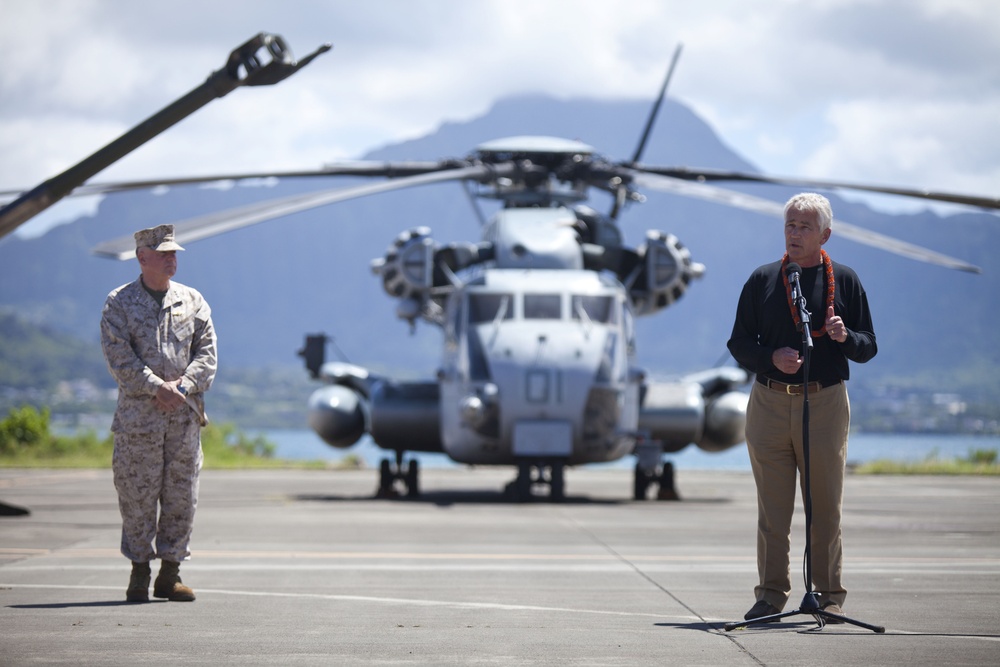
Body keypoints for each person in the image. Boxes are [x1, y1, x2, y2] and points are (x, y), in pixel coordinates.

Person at [727, 192, 876, 622]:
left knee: (824, 507)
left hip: (825, 402)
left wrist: (846, 336)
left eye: (804, 226)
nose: (794, 232)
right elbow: (738, 342)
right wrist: (770, 357)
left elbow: (869, 346)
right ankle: (771, 596)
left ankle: (829, 596)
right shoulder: (763, 279)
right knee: (773, 511)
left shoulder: (844, 280)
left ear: (825, 234)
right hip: (770, 402)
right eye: (790, 224)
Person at [100, 224, 217, 602]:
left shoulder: (193, 300)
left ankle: (170, 574)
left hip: (183, 420)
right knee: (136, 497)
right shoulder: (119, 303)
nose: (172, 258)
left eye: (174, 252)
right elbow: (119, 359)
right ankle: (138, 573)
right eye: (164, 253)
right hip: (140, 423)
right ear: (142, 257)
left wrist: (181, 387)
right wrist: (156, 386)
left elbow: (207, 355)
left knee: (182, 496)